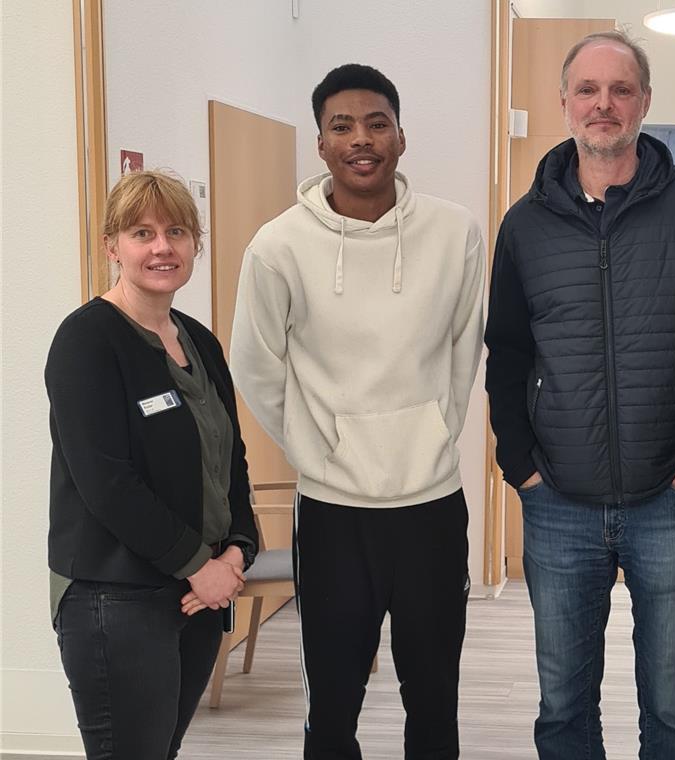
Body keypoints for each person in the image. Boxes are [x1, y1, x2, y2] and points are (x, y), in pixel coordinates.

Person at [485, 30, 675, 759]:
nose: (603, 104)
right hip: (558, 505)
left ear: (643, 102)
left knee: (670, 711)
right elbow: (506, 353)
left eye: (620, 89)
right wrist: (522, 467)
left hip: (668, 501)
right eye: (588, 89)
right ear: (565, 101)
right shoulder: (525, 224)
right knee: (562, 708)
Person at [229, 63, 485, 760]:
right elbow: (253, 365)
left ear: (402, 138)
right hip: (334, 512)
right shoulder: (278, 246)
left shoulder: (454, 232)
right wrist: (318, 450)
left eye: (377, 123)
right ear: (320, 145)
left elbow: (465, 351)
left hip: (430, 505)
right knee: (333, 702)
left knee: (433, 696)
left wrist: (434, 433)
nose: (361, 139)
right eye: (341, 126)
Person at [45, 170, 259, 759]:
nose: (162, 247)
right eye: (142, 233)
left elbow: (230, 460)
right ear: (113, 246)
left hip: (195, 595)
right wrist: (199, 565)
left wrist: (238, 548)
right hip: (114, 597)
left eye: (177, 232)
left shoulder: (198, 341)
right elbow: (107, 483)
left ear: (195, 244)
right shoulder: (86, 341)